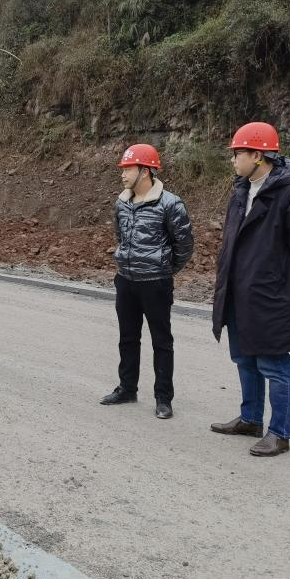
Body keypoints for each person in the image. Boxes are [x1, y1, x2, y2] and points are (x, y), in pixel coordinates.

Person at [210, 122, 290, 457]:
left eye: (238, 153)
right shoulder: (241, 191)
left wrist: (284, 281)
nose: (233, 159)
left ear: (258, 155)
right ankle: (250, 419)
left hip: (271, 296)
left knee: (274, 365)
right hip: (238, 292)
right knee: (244, 358)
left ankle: (279, 433)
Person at [100, 144, 194, 419]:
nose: (123, 174)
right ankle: (127, 388)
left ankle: (163, 398)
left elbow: (184, 245)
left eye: (128, 169)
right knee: (127, 338)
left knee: (161, 341)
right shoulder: (122, 202)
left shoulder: (170, 204)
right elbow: (120, 236)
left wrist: (165, 269)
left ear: (145, 171)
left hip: (156, 283)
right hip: (126, 280)